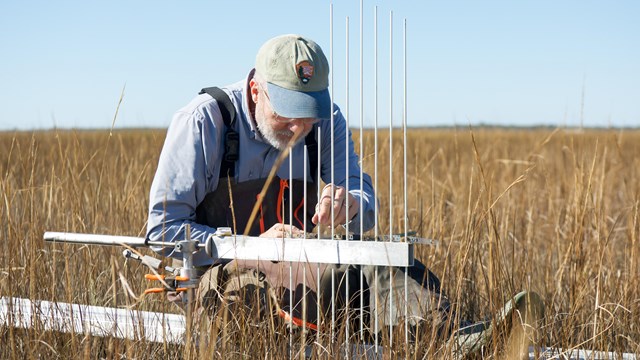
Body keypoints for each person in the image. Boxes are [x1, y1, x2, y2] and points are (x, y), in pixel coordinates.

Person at [147, 34, 451, 339]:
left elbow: (362, 197)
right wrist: (250, 246)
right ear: (256, 91)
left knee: (383, 264)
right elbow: (162, 231)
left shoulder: (325, 119)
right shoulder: (203, 121)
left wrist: (353, 203)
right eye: (286, 113)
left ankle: (440, 333)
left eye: (307, 115)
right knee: (313, 284)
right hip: (226, 274)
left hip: (304, 264)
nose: (298, 127)